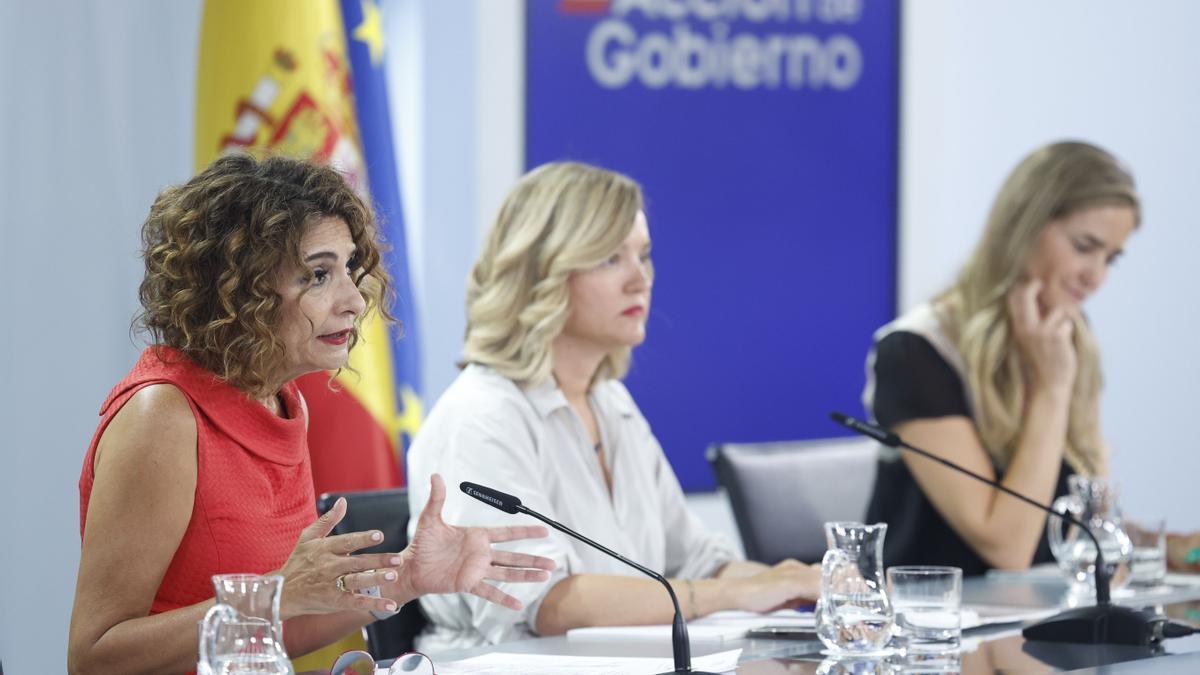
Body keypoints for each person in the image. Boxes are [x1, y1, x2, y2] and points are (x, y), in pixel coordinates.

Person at [68, 154, 555, 674]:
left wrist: (407, 577)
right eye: (318, 274)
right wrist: (274, 594)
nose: (352, 300)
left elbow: (281, 625)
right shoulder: (162, 416)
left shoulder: (279, 400)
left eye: (349, 268)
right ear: (237, 288)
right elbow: (94, 656)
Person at [406, 161, 820, 651]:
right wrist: (735, 592)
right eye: (609, 259)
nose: (639, 280)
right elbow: (544, 602)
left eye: (643, 256)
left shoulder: (610, 401)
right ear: (543, 271)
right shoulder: (483, 415)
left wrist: (799, 585)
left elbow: (696, 559)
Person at [862, 141, 1140, 575]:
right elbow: (1007, 549)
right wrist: (1051, 390)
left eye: (1111, 259)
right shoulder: (913, 353)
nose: (1096, 277)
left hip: (1041, 619)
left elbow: (1097, 528)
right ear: (1023, 228)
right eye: (1084, 247)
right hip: (937, 629)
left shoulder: (1068, 335)